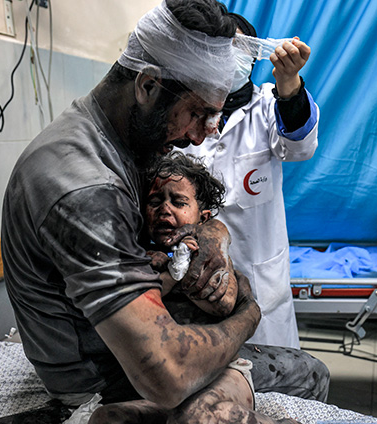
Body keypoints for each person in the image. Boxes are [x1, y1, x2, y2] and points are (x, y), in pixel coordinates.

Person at [1, 0, 328, 416]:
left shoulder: (115, 143)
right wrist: (248, 312)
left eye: (213, 118)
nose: (199, 136)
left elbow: (288, 149)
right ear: (148, 84)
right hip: (103, 380)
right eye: (196, 113)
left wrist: (212, 231)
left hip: (112, 350)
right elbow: (167, 374)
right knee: (306, 374)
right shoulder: (84, 185)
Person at [90, 152, 302, 423]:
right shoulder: (139, 255)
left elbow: (222, 304)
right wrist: (165, 268)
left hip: (219, 371)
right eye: (155, 201)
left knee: (195, 417)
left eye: (178, 202)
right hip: (165, 380)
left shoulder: (209, 254)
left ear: (202, 218)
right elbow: (128, 302)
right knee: (107, 417)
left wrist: (178, 271)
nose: (165, 209)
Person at [181, 13, 319, 349]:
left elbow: (298, 148)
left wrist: (290, 83)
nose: (229, 55)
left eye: (239, 46)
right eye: (219, 47)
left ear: (254, 55)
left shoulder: (270, 104)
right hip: (199, 274)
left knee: (274, 379)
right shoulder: (184, 110)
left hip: (259, 273)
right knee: (210, 381)